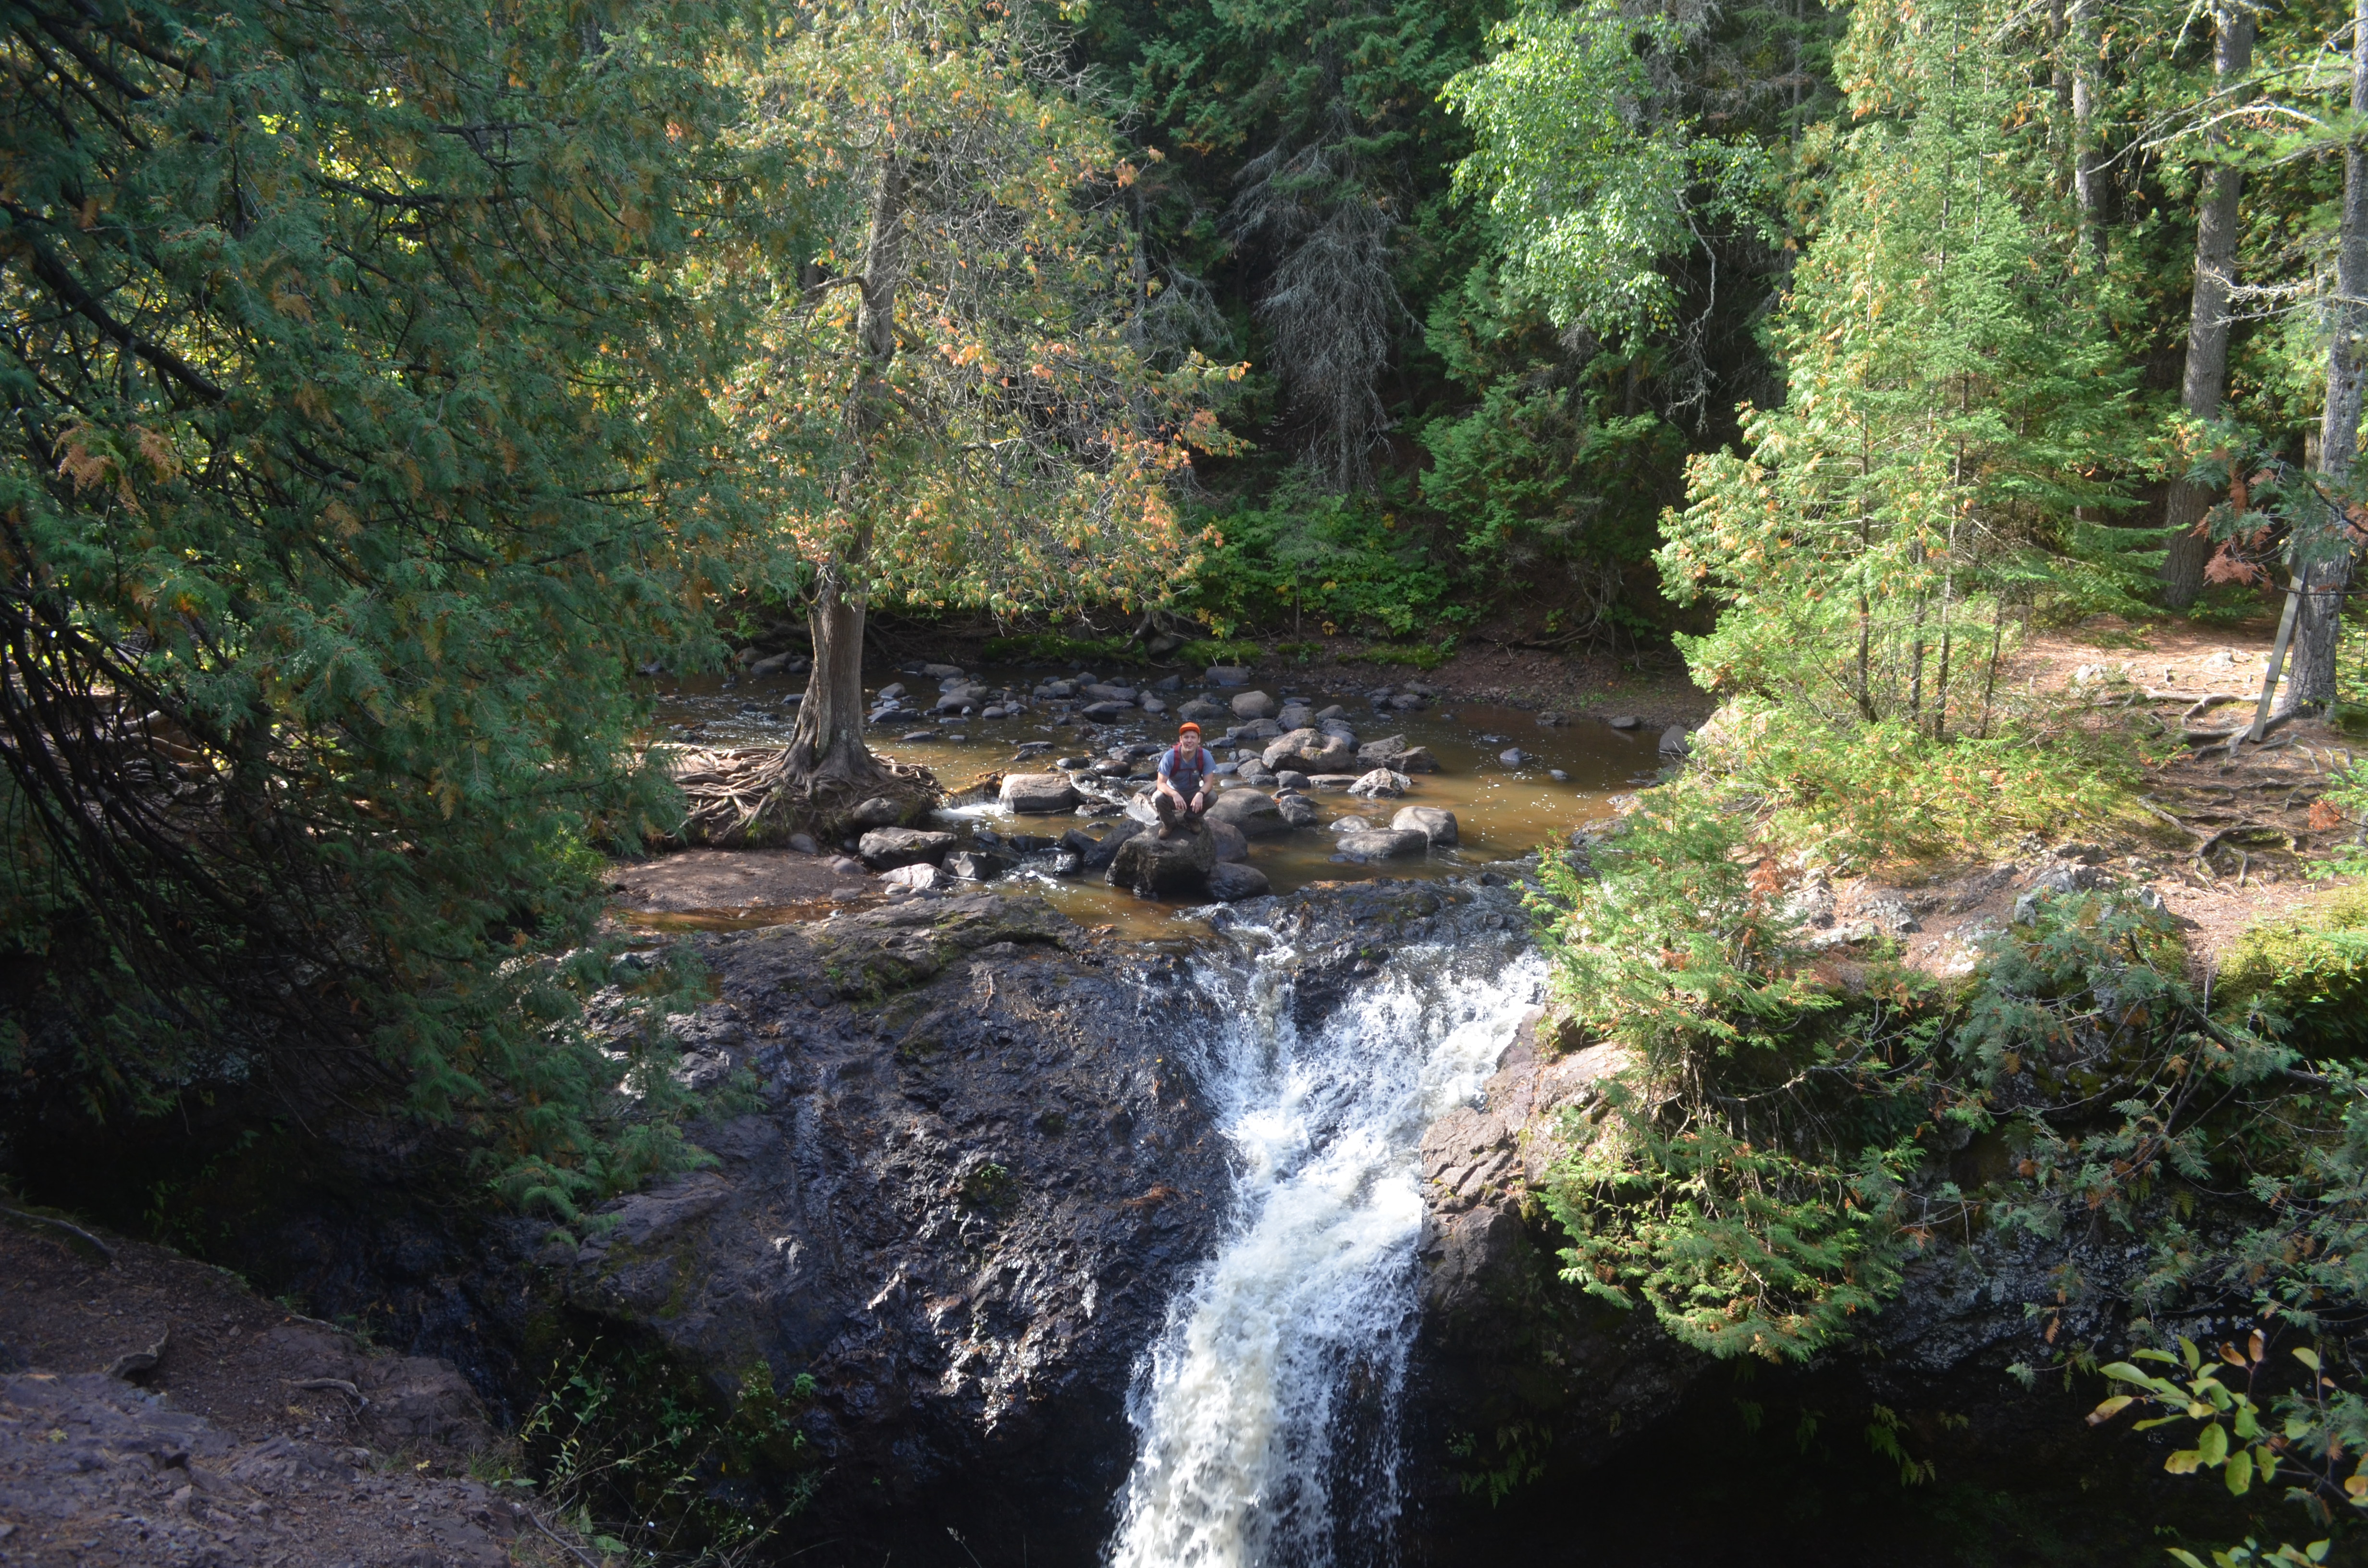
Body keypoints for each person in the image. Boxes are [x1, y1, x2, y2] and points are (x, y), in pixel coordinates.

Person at [1153, 722, 1214, 838]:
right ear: (1181, 739)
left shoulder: (1205, 756)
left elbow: (1209, 782)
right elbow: (1160, 784)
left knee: (1212, 796)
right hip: (1174, 796)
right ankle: (1169, 824)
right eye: (1186, 737)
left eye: (1193, 738)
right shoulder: (1170, 757)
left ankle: (1191, 818)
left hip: (1193, 794)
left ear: (1199, 740)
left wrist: (1200, 794)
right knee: (1158, 797)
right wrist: (1174, 794)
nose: (1190, 741)